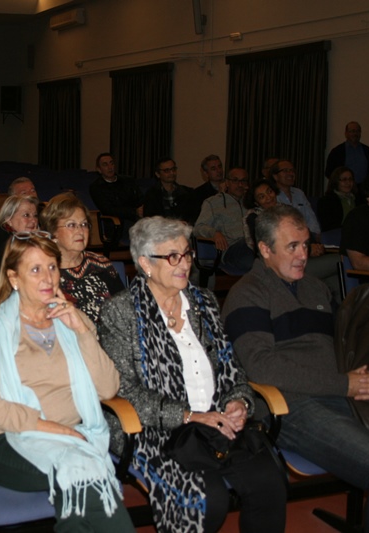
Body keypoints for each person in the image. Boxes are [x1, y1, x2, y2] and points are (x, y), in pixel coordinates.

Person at [98, 216, 286, 532]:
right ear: (145, 263)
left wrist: (238, 402)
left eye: (187, 253)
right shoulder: (121, 311)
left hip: (214, 423)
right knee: (207, 500)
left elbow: (230, 367)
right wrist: (188, 416)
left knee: (269, 483)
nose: (185, 263)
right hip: (154, 430)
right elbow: (124, 390)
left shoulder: (204, 302)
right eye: (173, 256)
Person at [222, 205, 369, 532]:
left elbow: (345, 345)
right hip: (291, 405)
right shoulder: (247, 294)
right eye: (292, 247)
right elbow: (262, 368)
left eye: (305, 245)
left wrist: (367, 378)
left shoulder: (315, 287)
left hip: (340, 394)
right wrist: (344, 385)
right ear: (265, 249)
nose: (303, 255)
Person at [0, 232, 134, 532]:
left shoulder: (72, 318)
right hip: (2, 439)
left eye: (52, 267)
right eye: (35, 269)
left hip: (72, 437)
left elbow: (108, 388)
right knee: (83, 472)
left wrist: (81, 331)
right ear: (14, 278)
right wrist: (54, 429)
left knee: (79, 475)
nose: (48, 278)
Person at [244, 179, 341, 302]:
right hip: (280, 265)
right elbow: (270, 248)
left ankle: (336, 312)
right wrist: (308, 249)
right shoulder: (254, 218)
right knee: (340, 260)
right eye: (262, 197)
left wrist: (315, 247)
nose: (268, 197)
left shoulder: (286, 210)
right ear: (256, 202)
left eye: (269, 192)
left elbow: (305, 233)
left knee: (336, 279)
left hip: (305, 257)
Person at [39, 193, 124, 323]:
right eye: (71, 225)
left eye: (84, 224)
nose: (80, 231)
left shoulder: (101, 264)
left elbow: (125, 311)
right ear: (53, 231)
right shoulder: (43, 272)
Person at [193, 167, 254, 273]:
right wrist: (214, 233)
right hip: (231, 250)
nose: (240, 184)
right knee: (251, 243)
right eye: (235, 180)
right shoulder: (213, 202)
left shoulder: (251, 203)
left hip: (252, 247)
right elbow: (198, 228)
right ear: (227, 183)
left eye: (243, 181)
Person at [88, 153, 142, 240]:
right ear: (99, 169)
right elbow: (108, 210)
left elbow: (140, 198)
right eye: (105, 165)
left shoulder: (127, 181)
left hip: (136, 217)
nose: (110, 167)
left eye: (111, 163)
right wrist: (134, 211)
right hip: (116, 223)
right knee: (142, 231)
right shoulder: (96, 187)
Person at [143, 157, 193, 222]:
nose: (172, 173)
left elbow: (191, 216)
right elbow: (149, 219)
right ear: (158, 174)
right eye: (167, 170)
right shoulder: (151, 194)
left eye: (173, 169)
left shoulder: (186, 192)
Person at [316, 166, 364, 232]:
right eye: (344, 179)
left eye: (350, 179)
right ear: (335, 181)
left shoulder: (359, 199)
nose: (348, 183)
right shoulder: (326, 201)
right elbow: (328, 226)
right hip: (338, 233)